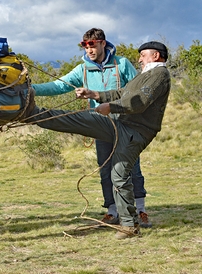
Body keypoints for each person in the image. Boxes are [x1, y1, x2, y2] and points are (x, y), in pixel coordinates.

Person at [27, 41, 170, 239]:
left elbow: (139, 102)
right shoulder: (147, 75)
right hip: (120, 124)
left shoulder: (160, 75)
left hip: (135, 131)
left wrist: (111, 107)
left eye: (143, 55)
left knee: (119, 175)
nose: (139, 59)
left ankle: (129, 226)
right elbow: (123, 93)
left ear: (155, 56)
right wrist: (94, 94)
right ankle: (31, 114)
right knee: (79, 119)